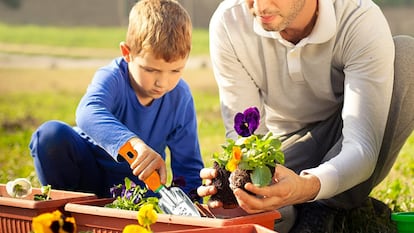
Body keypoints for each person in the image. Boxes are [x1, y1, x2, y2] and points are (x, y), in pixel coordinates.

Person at [197, 0, 414, 232]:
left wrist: (307, 187)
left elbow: (362, 146)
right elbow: (247, 138)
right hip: (284, 151)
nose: (259, 6)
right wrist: (238, 185)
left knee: (406, 59)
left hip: (345, 136)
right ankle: (305, 210)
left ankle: (328, 208)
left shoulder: (358, 18)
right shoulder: (230, 21)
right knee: (262, 212)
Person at [29, 0, 204, 198]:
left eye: (175, 70)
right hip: (88, 174)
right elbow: (87, 112)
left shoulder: (180, 97)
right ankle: (66, 211)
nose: (162, 83)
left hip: (137, 192)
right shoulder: (113, 77)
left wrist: (192, 210)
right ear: (127, 53)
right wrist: (133, 144)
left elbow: (188, 168)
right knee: (50, 136)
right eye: (150, 70)